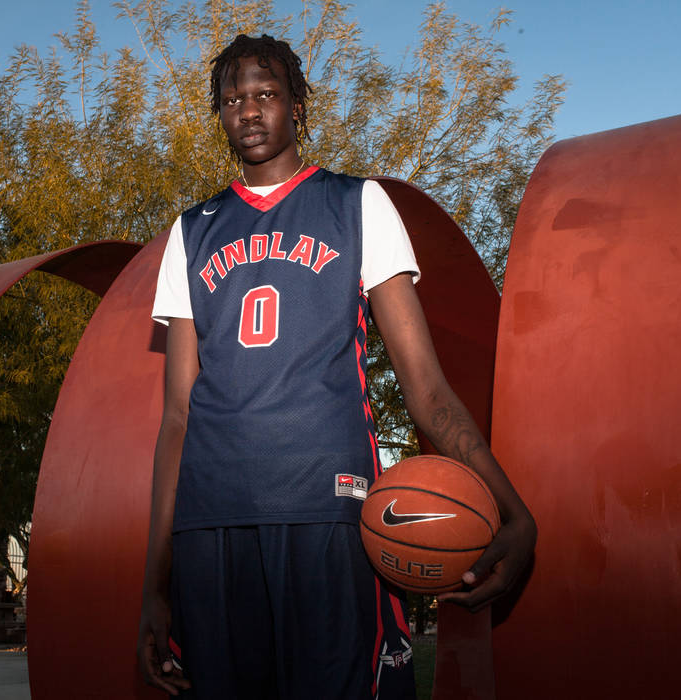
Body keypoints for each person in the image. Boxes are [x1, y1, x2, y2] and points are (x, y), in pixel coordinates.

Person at [137, 33, 536, 699]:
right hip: (212, 525)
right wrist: (154, 585)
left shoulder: (359, 205)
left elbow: (427, 389)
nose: (249, 110)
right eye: (233, 99)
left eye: (265, 93)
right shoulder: (192, 231)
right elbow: (177, 415)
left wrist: (512, 510)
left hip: (328, 508)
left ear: (297, 106)